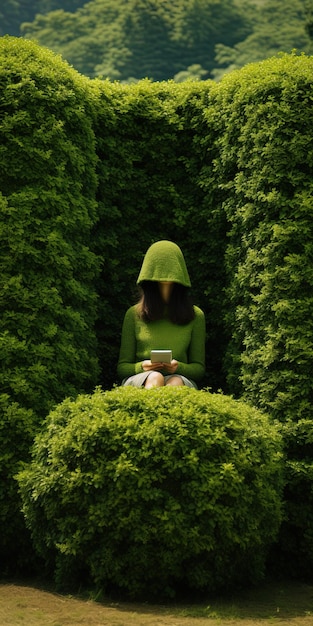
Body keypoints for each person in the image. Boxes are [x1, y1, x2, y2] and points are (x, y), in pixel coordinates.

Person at [117, 240, 205, 388]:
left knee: (175, 382)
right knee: (155, 377)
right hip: (141, 379)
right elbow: (122, 368)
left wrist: (179, 368)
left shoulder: (195, 315)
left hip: (180, 379)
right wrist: (143, 366)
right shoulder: (133, 314)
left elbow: (199, 369)